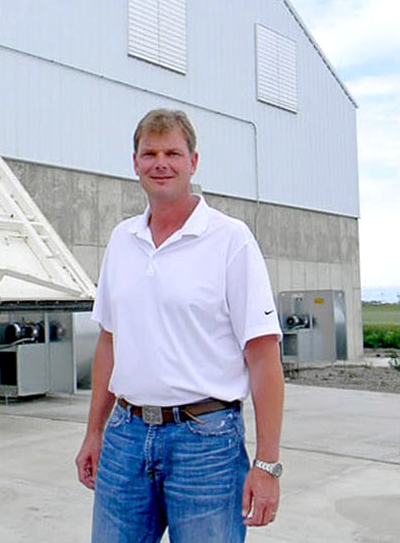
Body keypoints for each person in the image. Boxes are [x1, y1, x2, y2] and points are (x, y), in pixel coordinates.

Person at [75, 108, 285, 542]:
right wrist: (94, 433)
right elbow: (109, 343)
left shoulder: (230, 240)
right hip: (125, 438)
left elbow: (264, 358)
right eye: (149, 153)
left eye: (173, 152)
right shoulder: (122, 240)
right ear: (135, 163)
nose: (160, 163)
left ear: (193, 161)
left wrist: (266, 465)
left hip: (206, 444)